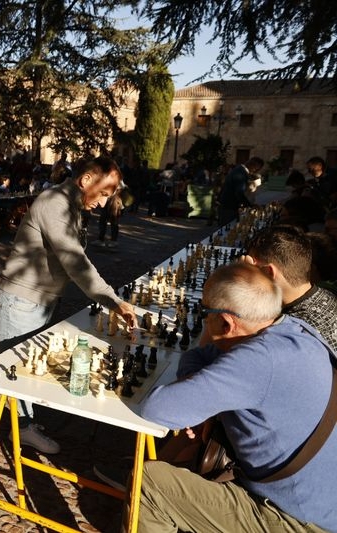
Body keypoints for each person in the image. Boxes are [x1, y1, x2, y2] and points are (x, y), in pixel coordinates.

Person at [0, 156, 137, 483]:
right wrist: (112, 300)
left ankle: (25, 426)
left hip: (46, 298)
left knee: (32, 366)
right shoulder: (54, 203)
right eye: (103, 194)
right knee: (5, 370)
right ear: (86, 179)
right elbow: (77, 263)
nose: (103, 203)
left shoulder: (74, 208)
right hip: (22, 298)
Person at [138, 262, 337, 532]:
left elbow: (157, 408)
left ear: (225, 321)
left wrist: (199, 396)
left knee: (149, 482)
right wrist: (202, 393)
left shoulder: (256, 361)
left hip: (301, 521)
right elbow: (197, 356)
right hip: (319, 500)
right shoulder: (293, 331)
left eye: (205, 312)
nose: (203, 320)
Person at [244, 224, 337, 352]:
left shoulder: (292, 331)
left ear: (269, 272)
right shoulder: (327, 296)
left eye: (251, 270)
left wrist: (240, 283)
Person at [217, 156, 264, 225]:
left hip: (226, 205)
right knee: (227, 229)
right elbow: (239, 193)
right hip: (229, 207)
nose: (255, 171)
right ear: (254, 166)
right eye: (257, 169)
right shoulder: (241, 173)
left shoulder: (238, 169)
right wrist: (250, 206)